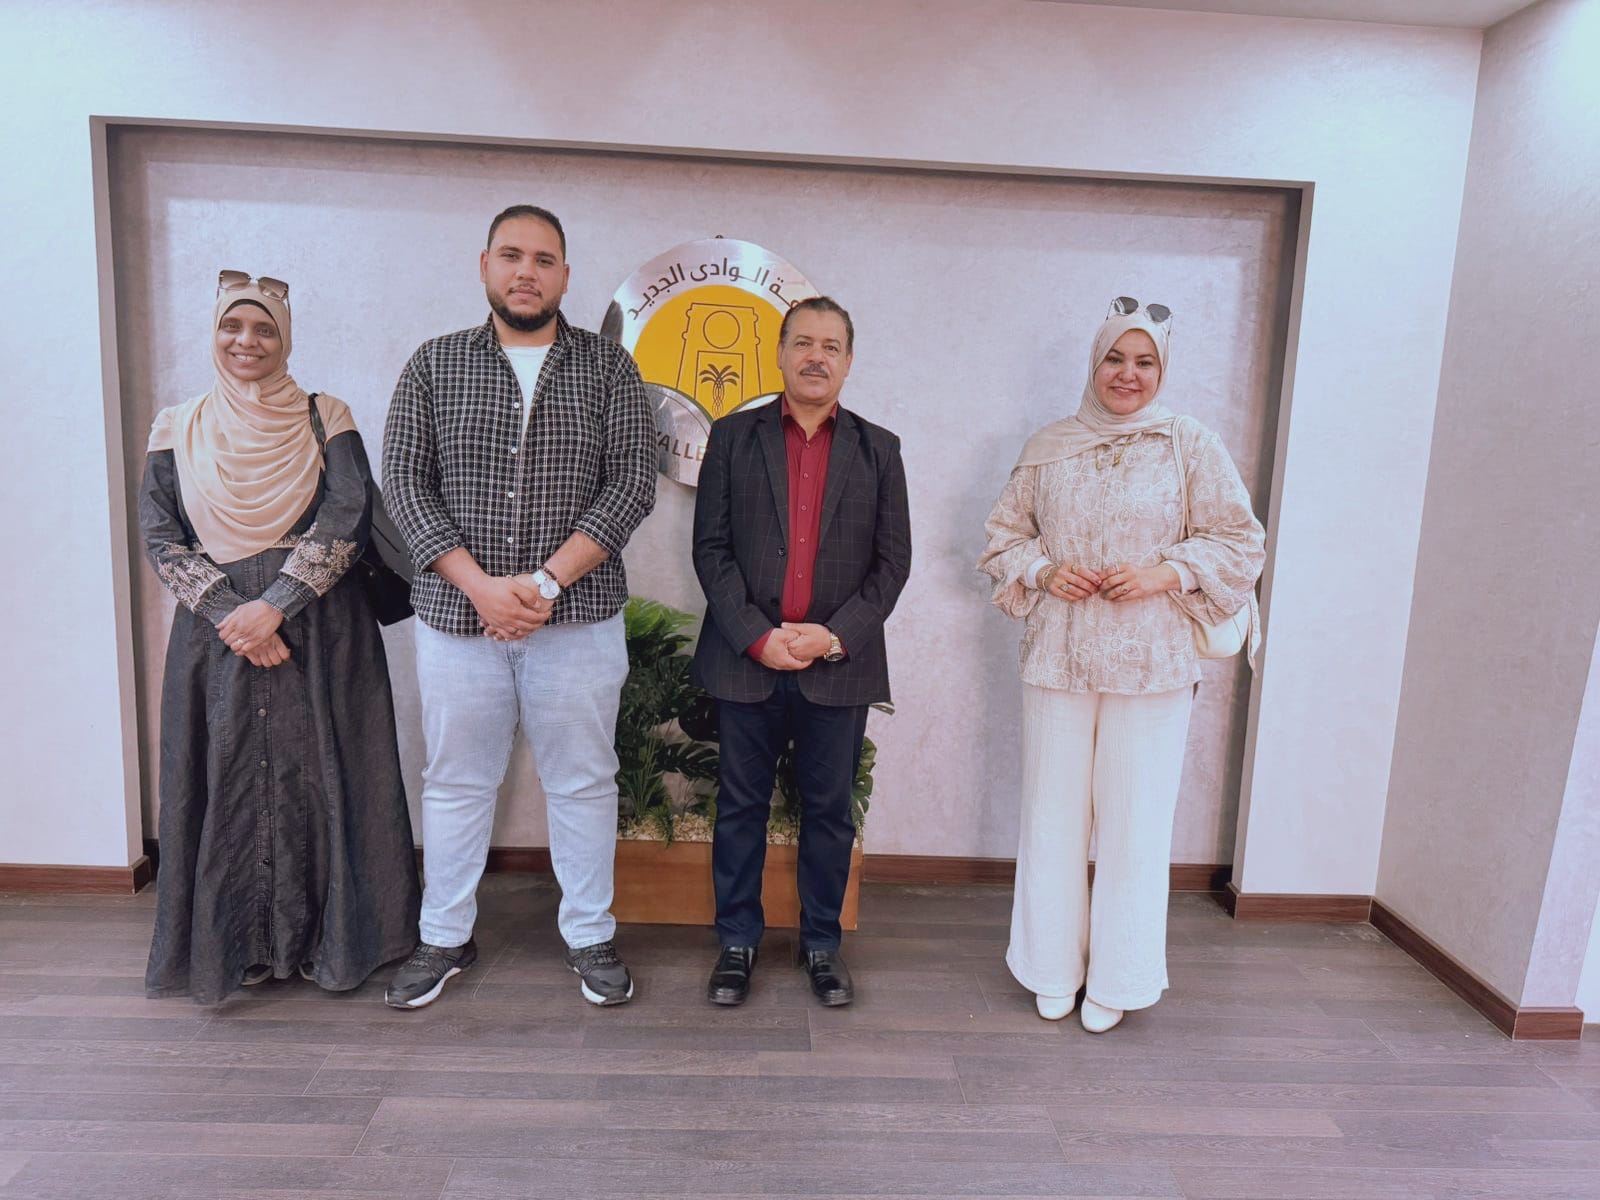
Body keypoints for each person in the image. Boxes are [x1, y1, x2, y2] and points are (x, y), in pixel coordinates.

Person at [381, 205, 656, 1010]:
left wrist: (544, 585)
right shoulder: (434, 364)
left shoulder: (608, 367)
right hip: (456, 619)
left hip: (579, 619)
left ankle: (590, 934)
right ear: (485, 266)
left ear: (564, 275)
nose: (526, 272)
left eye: (543, 259)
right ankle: (443, 936)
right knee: (455, 782)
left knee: (584, 782)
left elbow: (631, 484)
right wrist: (480, 587)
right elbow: (405, 483)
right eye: (511, 255)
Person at [977, 297, 1265, 1032]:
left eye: (1144, 361)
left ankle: (1119, 978)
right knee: (1050, 817)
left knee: (1136, 825)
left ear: (1162, 371)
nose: (1127, 374)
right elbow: (1004, 537)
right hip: (1059, 658)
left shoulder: (1188, 443)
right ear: (1094, 362)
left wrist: (1166, 572)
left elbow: (1240, 540)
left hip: (1152, 666)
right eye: (1115, 357)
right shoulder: (1049, 445)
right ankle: (1050, 967)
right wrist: (1044, 571)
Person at [141, 271, 420, 1004]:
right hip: (218, 638)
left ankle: (336, 944)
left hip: (322, 630)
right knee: (228, 773)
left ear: (285, 337)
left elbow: (348, 514)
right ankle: (240, 948)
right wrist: (233, 614)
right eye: (233, 327)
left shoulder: (326, 415)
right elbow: (160, 535)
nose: (248, 341)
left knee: (328, 773)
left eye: (264, 328)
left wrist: (276, 605)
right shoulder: (177, 426)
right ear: (214, 335)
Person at [691, 296, 912, 1008]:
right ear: (781, 353)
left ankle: (822, 944)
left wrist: (833, 635)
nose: (817, 357)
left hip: (837, 664)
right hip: (745, 660)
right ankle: (736, 943)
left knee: (829, 812)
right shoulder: (733, 437)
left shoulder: (880, 449)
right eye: (804, 343)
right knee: (739, 807)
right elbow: (711, 549)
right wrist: (757, 635)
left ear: (848, 361)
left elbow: (892, 565)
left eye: (831, 346)